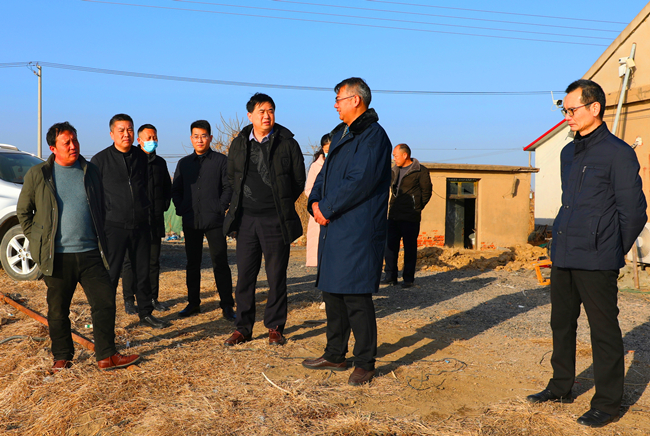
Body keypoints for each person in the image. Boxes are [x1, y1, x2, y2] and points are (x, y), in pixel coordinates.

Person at [526, 79, 647, 428]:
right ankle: (560, 386)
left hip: (597, 258)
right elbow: (572, 203)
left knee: (603, 331)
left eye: (572, 109)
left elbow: (634, 211)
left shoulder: (618, 153)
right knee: (561, 323)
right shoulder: (568, 152)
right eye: (564, 110)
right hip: (565, 253)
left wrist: (611, 248)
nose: (567, 116)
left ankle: (607, 404)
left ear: (594, 108)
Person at [17, 122, 140, 371]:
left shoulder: (90, 171)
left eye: (75, 140)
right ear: (53, 148)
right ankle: (62, 357)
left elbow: (100, 206)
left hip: (90, 253)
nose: (73, 146)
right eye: (67, 142)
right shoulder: (38, 174)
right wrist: (39, 241)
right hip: (57, 256)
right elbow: (24, 212)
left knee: (104, 302)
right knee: (58, 310)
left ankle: (106, 356)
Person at [302, 77, 392, 386]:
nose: (335, 105)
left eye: (339, 99)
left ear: (356, 100)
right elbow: (324, 173)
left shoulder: (374, 136)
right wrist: (314, 202)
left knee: (355, 296)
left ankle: (365, 362)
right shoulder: (341, 133)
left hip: (357, 228)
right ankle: (335, 353)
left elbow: (359, 181)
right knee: (333, 293)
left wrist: (326, 208)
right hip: (334, 225)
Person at [223, 93, 306, 346]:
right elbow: (231, 177)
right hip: (246, 220)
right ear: (250, 115)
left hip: (275, 220)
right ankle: (243, 328)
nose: (266, 116)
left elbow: (298, 180)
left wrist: (280, 202)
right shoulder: (239, 143)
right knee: (245, 277)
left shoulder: (287, 143)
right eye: (261, 111)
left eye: (270, 110)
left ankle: (275, 327)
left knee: (276, 276)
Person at [91, 114, 169, 329]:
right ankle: (105, 319)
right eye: (121, 130)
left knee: (143, 271)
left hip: (141, 225)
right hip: (113, 226)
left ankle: (145, 313)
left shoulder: (142, 157)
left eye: (130, 130)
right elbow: (94, 196)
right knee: (111, 274)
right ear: (112, 134)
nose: (126, 134)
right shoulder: (100, 161)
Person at [172, 120, 235, 320]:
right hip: (191, 220)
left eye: (204, 136)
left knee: (220, 262)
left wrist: (220, 207)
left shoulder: (221, 161)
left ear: (210, 138)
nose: (200, 140)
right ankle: (193, 303)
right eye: (196, 136)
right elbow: (176, 190)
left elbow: (228, 188)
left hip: (214, 220)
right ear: (191, 138)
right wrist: (182, 208)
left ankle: (227, 305)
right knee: (192, 263)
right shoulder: (184, 163)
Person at [122, 124, 172, 314]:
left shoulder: (160, 163)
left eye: (154, 137)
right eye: (149, 138)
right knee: (131, 262)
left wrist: (162, 206)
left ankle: (152, 298)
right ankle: (129, 299)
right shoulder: (132, 161)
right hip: (135, 221)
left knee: (153, 262)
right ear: (139, 140)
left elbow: (167, 189)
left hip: (155, 220)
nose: (152, 141)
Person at [382, 143, 432, 288]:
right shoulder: (394, 170)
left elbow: (426, 192)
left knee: (410, 248)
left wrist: (416, 207)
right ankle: (390, 276)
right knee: (390, 247)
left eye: (396, 156)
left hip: (410, 217)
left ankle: (408, 279)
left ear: (405, 155)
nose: (394, 159)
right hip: (393, 215)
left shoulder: (420, 171)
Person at [305, 133, 331, 268]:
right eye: (326, 150)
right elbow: (309, 189)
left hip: (334, 209)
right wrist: (319, 202)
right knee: (319, 253)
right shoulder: (316, 166)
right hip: (319, 210)